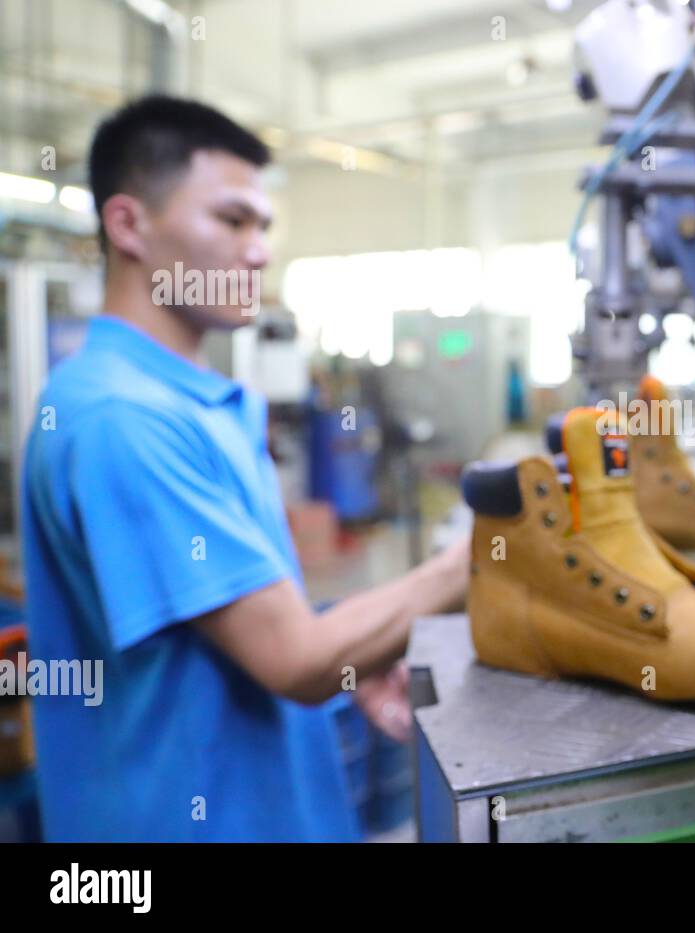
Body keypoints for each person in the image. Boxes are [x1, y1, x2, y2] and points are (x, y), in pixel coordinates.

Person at [20, 95, 469, 841]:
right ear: (129, 224)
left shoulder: (203, 404)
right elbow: (293, 658)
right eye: (231, 220)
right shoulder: (120, 418)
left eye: (264, 225)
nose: (258, 250)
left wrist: (353, 657)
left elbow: (261, 627)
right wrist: (481, 558)